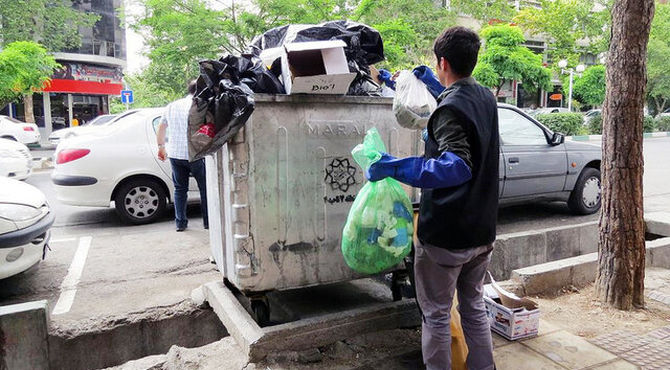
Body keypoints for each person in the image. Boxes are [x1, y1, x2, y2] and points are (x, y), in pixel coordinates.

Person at [366, 26, 499, 370]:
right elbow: (460, 111)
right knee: (473, 306)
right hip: (482, 232)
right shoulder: (485, 97)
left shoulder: (449, 110)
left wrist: (395, 167)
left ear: (442, 61)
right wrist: (429, 85)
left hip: (447, 236)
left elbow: (456, 166)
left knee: (437, 315)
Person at [156, 81, 208, 232]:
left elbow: (161, 127)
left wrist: (161, 147)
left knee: (180, 190)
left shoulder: (172, 106)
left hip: (176, 154)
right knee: (204, 189)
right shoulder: (200, 105)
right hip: (195, 154)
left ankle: (180, 223)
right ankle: (207, 222)